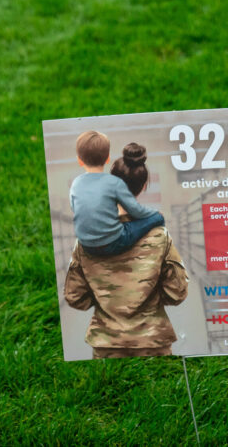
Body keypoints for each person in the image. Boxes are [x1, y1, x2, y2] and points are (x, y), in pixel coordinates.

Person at [64, 143, 189, 358]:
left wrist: (107, 299)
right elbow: (177, 292)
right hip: (153, 343)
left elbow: (75, 297)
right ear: (142, 187)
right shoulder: (159, 237)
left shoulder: (86, 241)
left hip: (106, 346)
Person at [69, 131, 165, 257]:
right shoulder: (114, 183)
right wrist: (155, 213)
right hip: (113, 243)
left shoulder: (76, 183)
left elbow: (74, 207)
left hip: (86, 244)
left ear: (79, 160)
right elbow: (135, 210)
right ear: (107, 158)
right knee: (158, 218)